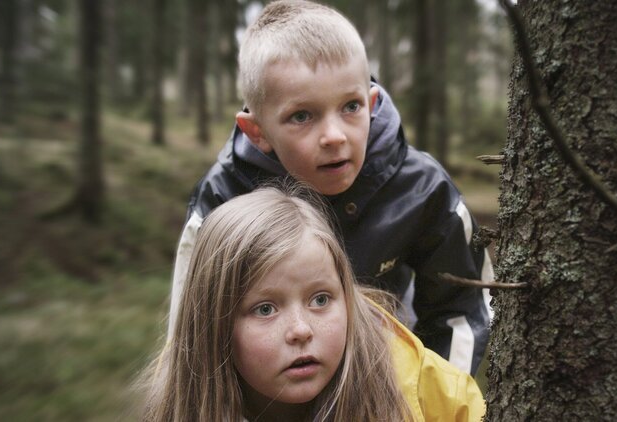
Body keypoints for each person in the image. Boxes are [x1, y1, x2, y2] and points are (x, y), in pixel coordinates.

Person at [169, 0, 494, 375]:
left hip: (384, 380)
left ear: (371, 104)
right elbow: (192, 335)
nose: (334, 136)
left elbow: (460, 308)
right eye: (302, 116)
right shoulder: (223, 197)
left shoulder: (422, 189)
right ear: (257, 132)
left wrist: (430, 403)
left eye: (351, 107)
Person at [144, 187, 485, 421]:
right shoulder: (185, 400)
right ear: (213, 326)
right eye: (265, 308)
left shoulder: (432, 396)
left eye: (320, 300)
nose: (301, 330)